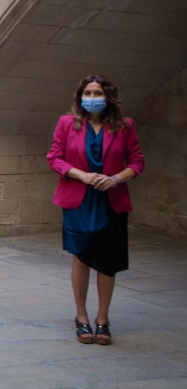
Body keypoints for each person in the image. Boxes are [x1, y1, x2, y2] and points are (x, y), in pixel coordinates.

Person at [47, 75, 144, 345]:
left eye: (97, 93)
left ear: (108, 96)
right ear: (80, 97)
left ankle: (103, 319)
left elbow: (137, 162)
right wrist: (81, 175)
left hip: (111, 200)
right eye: (87, 93)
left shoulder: (125, 126)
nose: (92, 98)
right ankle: (81, 317)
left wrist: (115, 179)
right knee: (81, 256)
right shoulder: (67, 123)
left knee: (108, 260)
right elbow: (54, 157)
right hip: (78, 200)